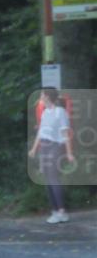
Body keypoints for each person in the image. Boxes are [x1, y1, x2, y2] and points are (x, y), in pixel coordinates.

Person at [29, 88, 75, 224]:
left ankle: (62, 211)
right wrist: (33, 148)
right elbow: (40, 132)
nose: (41, 97)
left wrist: (69, 152)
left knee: (53, 177)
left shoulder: (60, 112)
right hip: (44, 146)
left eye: (42, 94)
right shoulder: (45, 112)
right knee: (47, 179)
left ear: (48, 96)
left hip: (56, 145)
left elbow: (65, 133)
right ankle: (55, 211)